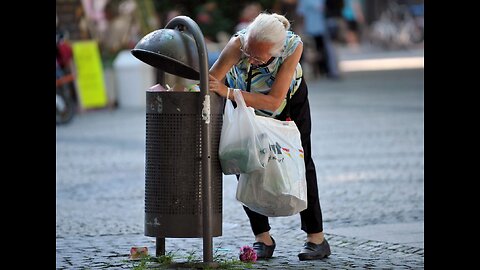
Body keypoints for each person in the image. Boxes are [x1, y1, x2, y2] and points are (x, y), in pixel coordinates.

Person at [208, 12, 330, 261]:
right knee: (244, 160)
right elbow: (211, 80)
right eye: (248, 53)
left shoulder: (293, 46)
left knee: (301, 163)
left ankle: (316, 237)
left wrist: (228, 91)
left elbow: (274, 101)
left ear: (275, 51)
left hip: (287, 104)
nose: (250, 60)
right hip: (243, 104)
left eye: (258, 56)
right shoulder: (238, 43)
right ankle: (262, 237)